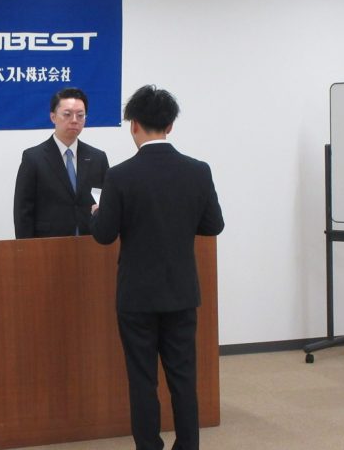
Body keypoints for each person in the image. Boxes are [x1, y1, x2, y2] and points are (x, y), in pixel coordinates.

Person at [89, 85, 224, 450]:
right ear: (170, 125)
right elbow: (213, 225)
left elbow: (104, 235)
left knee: (142, 379)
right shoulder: (198, 171)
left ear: (134, 124)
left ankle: (149, 446)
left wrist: (97, 214)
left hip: (136, 296)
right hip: (181, 292)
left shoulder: (120, 176)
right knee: (183, 377)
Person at [14, 88, 109, 238]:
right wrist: (25, 249)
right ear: (53, 117)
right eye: (67, 114)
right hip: (48, 244)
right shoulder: (33, 158)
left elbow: (106, 203)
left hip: (90, 242)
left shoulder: (98, 158)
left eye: (80, 115)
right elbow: (23, 212)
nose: (74, 120)